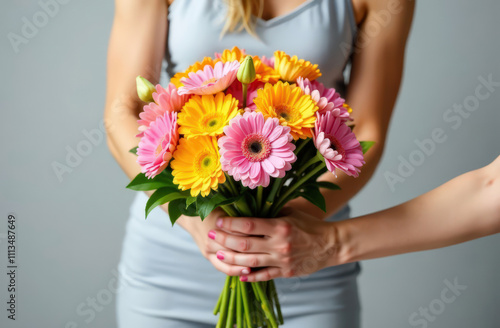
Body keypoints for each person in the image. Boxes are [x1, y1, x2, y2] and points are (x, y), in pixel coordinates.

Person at [103, 0, 496, 326]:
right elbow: (125, 109)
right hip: (169, 265)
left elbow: (365, 130)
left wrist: (286, 227)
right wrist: (195, 219)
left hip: (305, 257)